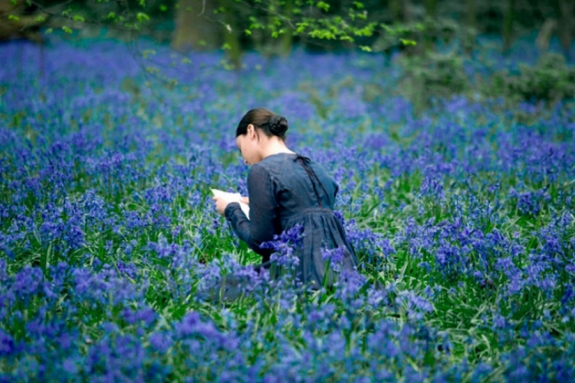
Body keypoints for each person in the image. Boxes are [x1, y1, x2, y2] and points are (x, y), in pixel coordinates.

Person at [212, 108, 358, 289]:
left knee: (218, 289)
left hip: (298, 272)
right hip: (343, 272)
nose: (244, 160)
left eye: (241, 148)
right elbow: (307, 213)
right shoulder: (316, 167)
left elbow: (262, 243)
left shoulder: (262, 170)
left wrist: (231, 209)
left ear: (251, 132)